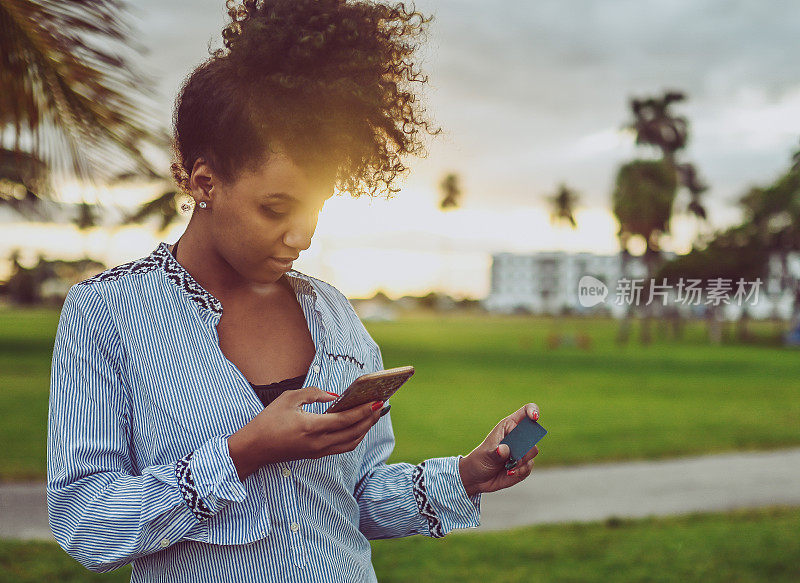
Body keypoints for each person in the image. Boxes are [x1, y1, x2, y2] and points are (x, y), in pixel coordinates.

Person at [46, 1, 540, 581]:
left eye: (315, 209)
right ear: (205, 182)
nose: (301, 236)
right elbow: (84, 523)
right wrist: (243, 453)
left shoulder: (330, 314)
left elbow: (353, 501)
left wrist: (464, 474)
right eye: (275, 209)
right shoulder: (105, 314)